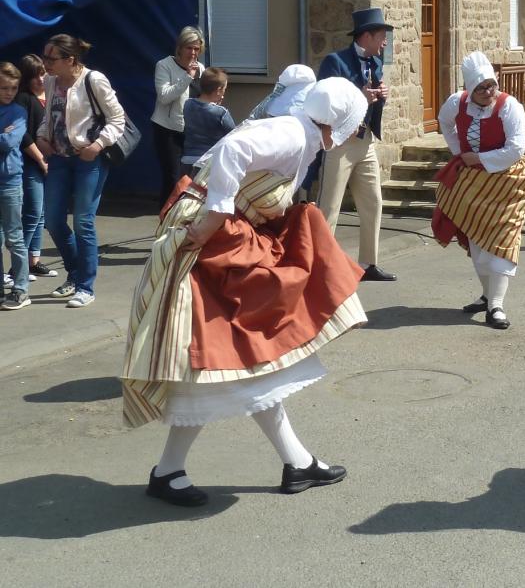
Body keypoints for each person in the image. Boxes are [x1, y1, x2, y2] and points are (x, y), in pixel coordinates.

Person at [120, 77, 368, 507]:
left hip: (223, 241)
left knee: (247, 361)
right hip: (209, 242)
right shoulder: (292, 133)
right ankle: (171, 470)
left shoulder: (300, 133)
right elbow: (233, 152)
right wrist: (214, 216)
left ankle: (294, 461)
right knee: (219, 360)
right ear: (341, 122)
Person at [435, 52, 525, 331]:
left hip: (507, 178)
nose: (488, 92)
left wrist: (479, 158)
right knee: (478, 238)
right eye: (481, 88)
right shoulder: (457, 103)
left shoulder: (509, 106)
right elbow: (443, 121)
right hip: (474, 181)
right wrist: (459, 151)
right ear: (469, 88)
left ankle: (497, 306)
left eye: (491, 85)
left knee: (504, 239)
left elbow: (516, 149)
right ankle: (487, 295)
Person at [36, 35, 125, 309]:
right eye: (45, 57)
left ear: (70, 60)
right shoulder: (50, 82)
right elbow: (49, 117)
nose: (45, 63)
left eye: (51, 59)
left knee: (83, 222)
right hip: (60, 159)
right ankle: (74, 276)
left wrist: (97, 145)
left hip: (89, 159)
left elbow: (117, 118)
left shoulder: (93, 79)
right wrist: (41, 136)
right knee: (52, 220)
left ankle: (85, 286)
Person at [317, 8, 397, 282]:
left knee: (373, 203)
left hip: (365, 141)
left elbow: (372, 102)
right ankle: (321, 266)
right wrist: (359, 95)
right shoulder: (335, 61)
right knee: (329, 207)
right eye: (381, 36)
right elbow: (324, 101)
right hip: (340, 142)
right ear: (367, 36)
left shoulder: (376, 62)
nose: (385, 42)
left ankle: (368, 264)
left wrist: (381, 96)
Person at [151, 26, 205, 206]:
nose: (193, 52)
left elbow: (201, 97)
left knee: (191, 176)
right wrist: (187, 77)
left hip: (191, 131)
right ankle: (165, 217)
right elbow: (164, 96)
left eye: (196, 48)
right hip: (167, 129)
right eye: (189, 47)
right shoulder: (164, 65)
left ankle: (183, 217)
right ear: (180, 48)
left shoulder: (201, 69)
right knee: (173, 176)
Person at [16, 55, 55, 281]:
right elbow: (23, 134)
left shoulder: (50, 95)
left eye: (43, 73)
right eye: (36, 76)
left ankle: (34, 261)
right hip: (30, 164)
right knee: (31, 213)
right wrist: (41, 159)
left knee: (40, 215)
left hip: (47, 163)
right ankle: (17, 268)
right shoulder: (24, 99)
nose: (41, 79)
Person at [0, 63, 30, 310]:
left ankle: (20, 289)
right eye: (4, 88)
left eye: (13, 88)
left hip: (10, 181)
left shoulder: (18, 112)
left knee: (14, 237)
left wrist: (4, 136)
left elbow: (9, 142)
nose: (9, 92)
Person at [181, 68, 235, 174]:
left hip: (187, 161)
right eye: (225, 88)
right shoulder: (221, 113)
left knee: (187, 190)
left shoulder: (187, 104)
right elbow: (234, 135)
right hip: (208, 163)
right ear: (219, 90)